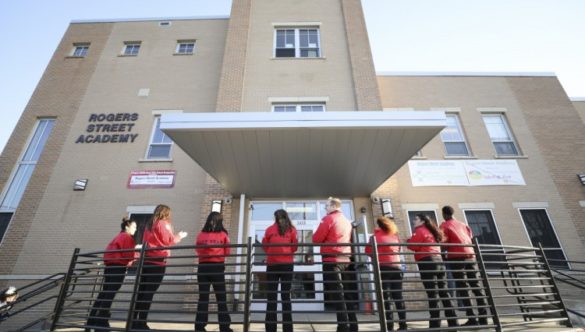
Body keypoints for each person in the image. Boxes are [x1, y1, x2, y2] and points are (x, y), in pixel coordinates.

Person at [133, 204, 187, 330]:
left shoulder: (149, 224)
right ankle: (141, 322)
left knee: (142, 292)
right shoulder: (163, 223)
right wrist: (180, 236)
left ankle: (134, 320)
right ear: (166, 213)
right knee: (149, 293)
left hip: (147, 260)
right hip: (157, 261)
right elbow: (168, 240)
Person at [313, 197, 358, 332]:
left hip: (331, 260)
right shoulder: (346, 221)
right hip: (345, 259)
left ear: (333, 206)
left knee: (337, 294)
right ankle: (353, 325)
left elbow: (316, 239)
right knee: (347, 293)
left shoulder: (328, 219)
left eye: (326, 206)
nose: (325, 208)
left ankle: (343, 326)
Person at [407, 214, 458, 329]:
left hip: (427, 262)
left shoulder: (420, 230)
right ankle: (453, 323)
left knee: (432, 294)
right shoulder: (432, 231)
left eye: (416, 219)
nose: (413, 220)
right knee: (444, 293)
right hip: (439, 261)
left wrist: (408, 239)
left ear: (423, 221)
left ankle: (435, 325)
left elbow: (412, 245)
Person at [87, 217, 139, 331]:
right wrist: (137, 253)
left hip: (110, 266)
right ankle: (101, 322)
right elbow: (128, 255)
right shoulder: (127, 237)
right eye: (134, 227)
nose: (135, 230)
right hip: (118, 267)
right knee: (110, 294)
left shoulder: (118, 236)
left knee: (104, 293)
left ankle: (91, 320)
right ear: (127, 226)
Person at [440, 205, 488, 326]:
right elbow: (470, 238)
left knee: (463, 287)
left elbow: (443, 243)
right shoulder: (463, 224)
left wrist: (441, 252)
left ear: (444, 214)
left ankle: (472, 318)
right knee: (476, 286)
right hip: (471, 256)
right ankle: (483, 318)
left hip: (456, 257)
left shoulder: (445, 225)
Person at [365, 216, 407, 331]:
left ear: (379, 225)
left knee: (386, 298)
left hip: (383, 268)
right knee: (398, 297)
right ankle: (403, 325)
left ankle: (389, 327)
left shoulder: (374, 237)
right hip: (397, 268)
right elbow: (398, 249)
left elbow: (368, 251)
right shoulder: (394, 236)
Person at [195, 212, 233, 332]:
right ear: (220, 222)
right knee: (221, 297)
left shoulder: (201, 234)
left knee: (203, 298)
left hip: (203, 267)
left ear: (208, 221)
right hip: (217, 267)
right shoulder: (223, 234)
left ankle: (199, 326)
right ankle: (224, 326)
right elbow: (227, 252)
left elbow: (197, 250)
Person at [262, 209, 298, 332]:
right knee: (285, 297)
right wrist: (285, 253)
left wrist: (273, 254)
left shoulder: (269, 230)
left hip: (272, 265)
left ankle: (270, 329)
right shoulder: (292, 230)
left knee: (271, 298)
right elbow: (295, 247)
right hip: (287, 265)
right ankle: (288, 329)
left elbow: (265, 246)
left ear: (275, 218)